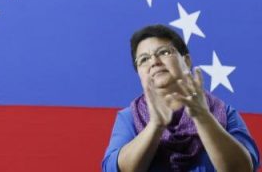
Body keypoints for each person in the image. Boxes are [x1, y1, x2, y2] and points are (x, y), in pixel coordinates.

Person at [102, 24, 259, 172]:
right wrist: (155, 125)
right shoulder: (129, 117)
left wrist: (203, 117)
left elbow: (244, 168)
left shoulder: (222, 112)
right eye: (144, 59)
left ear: (186, 60)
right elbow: (115, 169)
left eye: (164, 52)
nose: (154, 62)